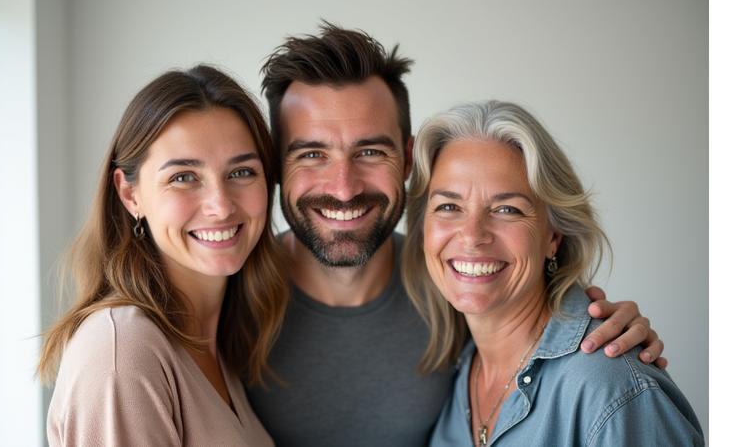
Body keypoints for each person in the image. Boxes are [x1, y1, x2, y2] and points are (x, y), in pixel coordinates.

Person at [246, 23, 668, 447]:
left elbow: (553, 344)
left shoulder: (448, 292)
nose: (343, 187)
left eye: (370, 151)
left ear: (407, 158)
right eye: (312, 154)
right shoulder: (229, 300)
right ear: (275, 163)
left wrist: (615, 356)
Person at [401, 100, 704, 446]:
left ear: (553, 237)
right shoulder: (456, 370)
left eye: (506, 209)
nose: (472, 236)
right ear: (423, 227)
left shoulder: (611, 389)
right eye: (449, 206)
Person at [38, 65, 287, 447]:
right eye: (183, 177)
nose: (221, 206)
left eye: (241, 172)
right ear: (130, 194)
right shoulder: (123, 354)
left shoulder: (219, 344)